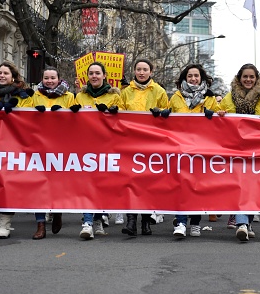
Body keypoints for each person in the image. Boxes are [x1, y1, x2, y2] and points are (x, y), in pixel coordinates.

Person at [217, 63, 260, 242]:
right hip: (235, 149)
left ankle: (247, 223)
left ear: (256, 79)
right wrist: (220, 115)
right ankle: (241, 223)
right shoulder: (229, 98)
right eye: (245, 77)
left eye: (252, 77)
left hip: (258, 150)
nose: (248, 80)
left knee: (252, 188)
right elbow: (221, 120)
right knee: (240, 186)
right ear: (239, 78)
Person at [0, 61, 34, 238]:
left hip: (17, 146)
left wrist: (15, 108)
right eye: (0, 73)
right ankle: (3, 220)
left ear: (13, 77)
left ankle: (7, 221)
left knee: (12, 184)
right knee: (0, 182)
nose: (2, 76)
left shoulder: (23, 94)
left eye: (6, 73)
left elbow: (28, 115)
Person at [169, 64, 220, 238]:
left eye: (196, 76)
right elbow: (169, 121)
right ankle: (181, 222)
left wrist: (214, 115)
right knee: (182, 186)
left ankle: (196, 222)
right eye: (189, 76)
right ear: (184, 78)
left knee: (197, 187)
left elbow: (223, 119)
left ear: (202, 78)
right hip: (181, 147)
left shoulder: (210, 98)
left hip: (202, 149)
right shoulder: (175, 98)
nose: (193, 79)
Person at [120, 58, 169, 237]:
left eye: (145, 69)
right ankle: (131, 221)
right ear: (134, 71)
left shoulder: (159, 91)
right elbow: (119, 113)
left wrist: (161, 114)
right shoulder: (125, 92)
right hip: (130, 143)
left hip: (151, 143)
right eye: (138, 69)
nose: (141, 72)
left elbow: (168, 114)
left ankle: (146, 221)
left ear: (151, 72)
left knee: (148, 183)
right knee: (130, 182)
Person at [75, 62, 123, 240]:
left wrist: (113, 113)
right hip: (85, 147)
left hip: (107, 147)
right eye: (91, 73)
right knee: (87, 185)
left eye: (97, 73)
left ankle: (97, 220)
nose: (94, 76)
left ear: (104, 76)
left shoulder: (115, 97)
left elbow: (123, 120)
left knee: (101, 185)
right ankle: (87, 222)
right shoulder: (79, 96)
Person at [31, 66, 79, 239]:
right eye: (46, 78)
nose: (49, 81)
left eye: (52, 78)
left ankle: (57, 211)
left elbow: (77, 122)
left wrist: (70, 113)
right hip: (39, 146)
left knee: (58, 184)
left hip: (61, 147)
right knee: (38, 185)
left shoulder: (69, 96)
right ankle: (40, 224)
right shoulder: (35, 96)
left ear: (59, 79)